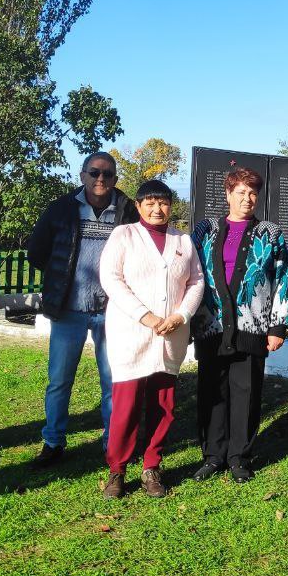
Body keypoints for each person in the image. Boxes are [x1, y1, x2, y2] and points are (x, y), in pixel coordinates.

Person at [26, 152, 139, 467]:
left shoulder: (128, 211)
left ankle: (112, 443)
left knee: (112, 381)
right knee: (60, 380)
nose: (100, 179)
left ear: (116, 178)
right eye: (94, 172)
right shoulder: (61, 209)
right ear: (83, 175)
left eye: (107, 174)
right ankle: (53, 442)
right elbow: (37, 252)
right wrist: (61, 280)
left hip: (113, 312)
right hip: (69, 310)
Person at [98, 180, 204, 499]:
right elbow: (111, 279)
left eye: (164, 202)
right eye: (150, 203)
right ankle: (117, 470)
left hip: (170, 335)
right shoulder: (124, 235)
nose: (157, 209)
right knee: (126, 406)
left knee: (163, 405)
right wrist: (147, 317)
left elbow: (196, 281)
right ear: (140, 206)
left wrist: (180, 316)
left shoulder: (182, 240)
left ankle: (151, 466)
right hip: (132, 334)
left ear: (171, 206)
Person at [190, 168, 288, 483]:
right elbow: (188, 272)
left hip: (253, 327)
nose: (247, 199)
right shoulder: (205, 230)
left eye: (252, 193)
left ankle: (239, 458)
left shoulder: (270, 232)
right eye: (240, 192)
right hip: (211, 326)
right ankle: (212, 456)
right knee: (212, 392)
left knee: (246, 392)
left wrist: (278, 327)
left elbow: (284, 279)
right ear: (228, 194)